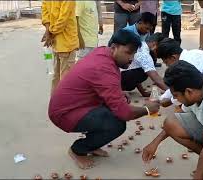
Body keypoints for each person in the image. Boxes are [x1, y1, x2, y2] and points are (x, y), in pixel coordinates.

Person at [48, 30, 160, 169]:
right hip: (64, 114)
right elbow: (125, 113)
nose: (131, 58)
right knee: (118, 124)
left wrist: (118, 93)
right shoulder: (104, 68)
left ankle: (92, 143)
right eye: (128, 53)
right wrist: (148, 109)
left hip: (73, 104)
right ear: (113, 47)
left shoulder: (103, 52)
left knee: (114, 109)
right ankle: (78, 150)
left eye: (134, 53)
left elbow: (100, 84)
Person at [41, 1, 79, 92]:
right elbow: (63, 19)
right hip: (67, 43)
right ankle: (64, 104)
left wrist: (48, 31)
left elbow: (45, 11)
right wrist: (50, 32)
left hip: (57, 43)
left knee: (56, 78)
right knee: (66, 80)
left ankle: (54, 103)